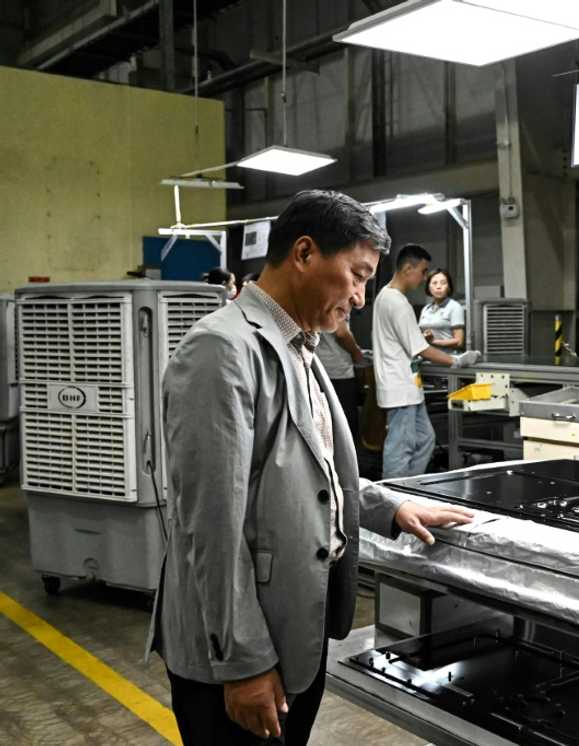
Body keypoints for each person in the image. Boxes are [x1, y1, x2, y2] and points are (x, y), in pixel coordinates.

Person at [148, 190, 474, 746]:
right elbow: (208, 525)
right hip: (241, 649)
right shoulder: (221, 349)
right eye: (356, 274)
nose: (361, 296)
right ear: (303, 253)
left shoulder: (299, 344)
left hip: (295, 626)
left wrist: (389, 504)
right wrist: (244, 661)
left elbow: (312, 472)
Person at [373, 244, 479, 479]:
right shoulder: (397, 302)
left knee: (424, 439)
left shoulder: (385, 296)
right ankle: (394, 495)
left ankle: (409, 487)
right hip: (400, 388)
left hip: (410, 387)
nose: (425, 279)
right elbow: (420, 348)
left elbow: (412, 342)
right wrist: (456, 361)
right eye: (423, 272)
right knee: (401, 448)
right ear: (408, 268)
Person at [316, 315, 364, 439]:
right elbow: (341, 333)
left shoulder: (313, 298)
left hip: (320, 367)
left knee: (325, 427)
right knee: (345, 430)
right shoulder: (334, 297)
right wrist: (356, 352)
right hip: (339, 371)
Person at [419, 268, 465, 351]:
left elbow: (459, 342)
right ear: (428, 287)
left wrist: (434, 341)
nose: (438, 287)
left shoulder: (454, 307)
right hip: (427, 359)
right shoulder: (425, 309)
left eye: (443, 283)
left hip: (447, 359)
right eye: (434, 283)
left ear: (449, 287)